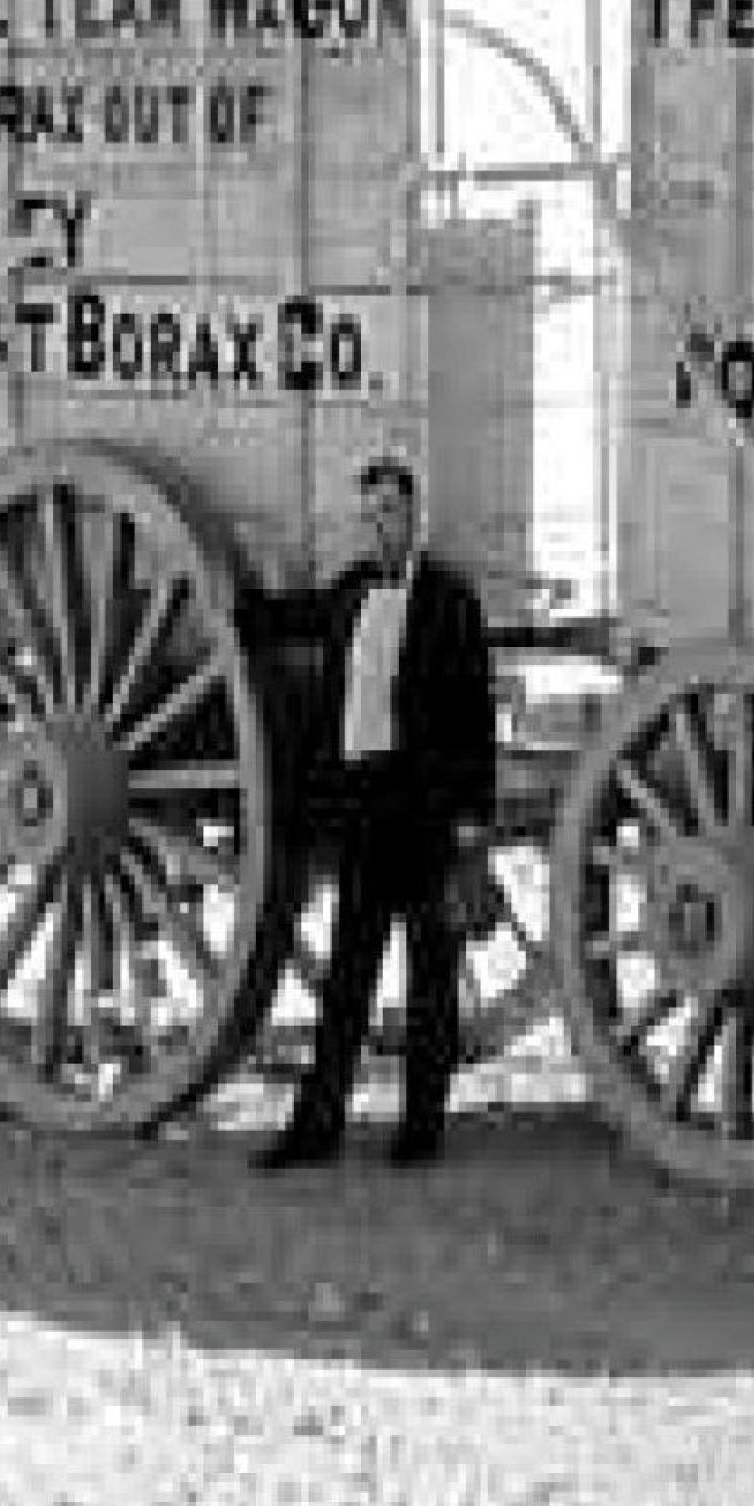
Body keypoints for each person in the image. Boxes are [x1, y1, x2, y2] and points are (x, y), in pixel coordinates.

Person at [256, 454, 497, 1170]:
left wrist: (472, 818)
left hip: (426, 811)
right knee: (349, 978)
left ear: (414, 516)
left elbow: (474, 714)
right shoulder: (352, 591)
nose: (379, 527)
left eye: (390, 512)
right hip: (366, 809)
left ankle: (420, 1132)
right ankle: (315, 1129)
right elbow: (288, 621)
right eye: (369, 515)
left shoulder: (451, 600)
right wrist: (224, 601)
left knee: (429, 980)